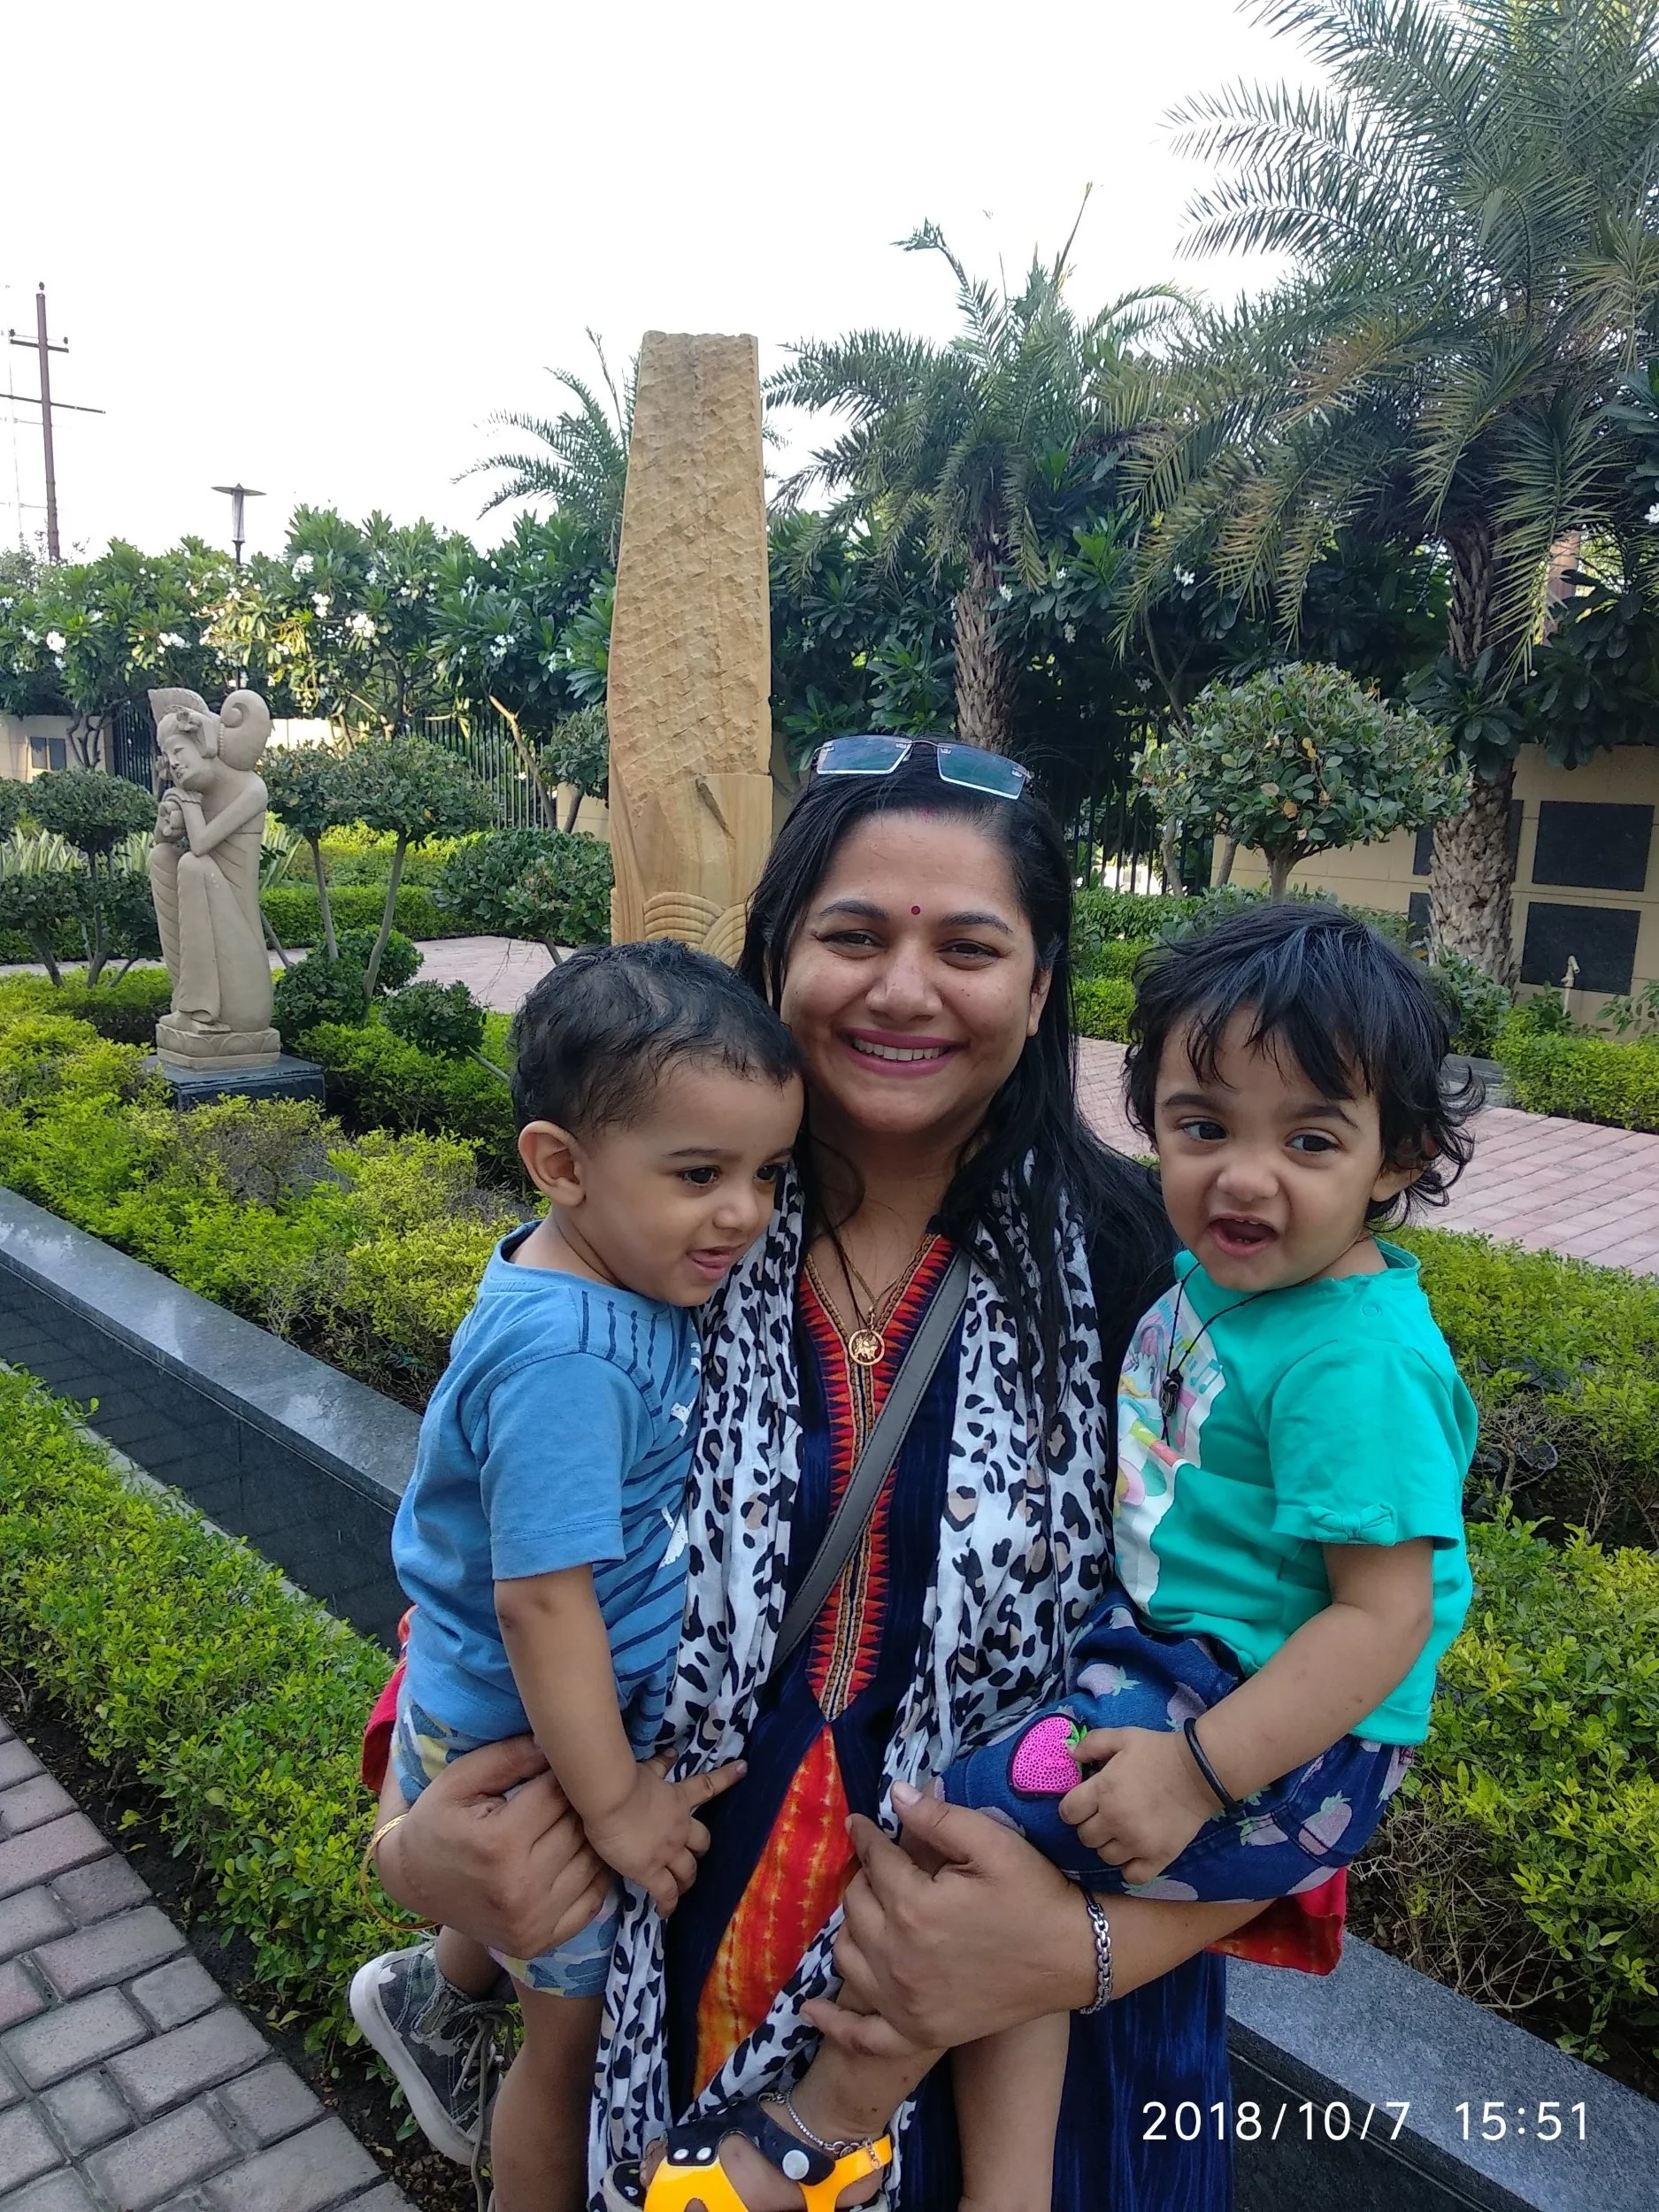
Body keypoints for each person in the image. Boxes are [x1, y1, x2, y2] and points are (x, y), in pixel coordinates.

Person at [363, 740, 1325, 2212]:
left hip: (1016, 2030)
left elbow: (1313, 1668)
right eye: (853, 935)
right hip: (666, 1951)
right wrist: (417, 1853)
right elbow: (498, 1573)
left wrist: (1078, 1951)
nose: (901, 989)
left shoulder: (1159, 1278)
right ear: (774, 958)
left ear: (1041, 985)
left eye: (968, 946)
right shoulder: (656, 1237)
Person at [931, 903, 1479, 2202]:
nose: (1243, 1177)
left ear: (1394, 1157)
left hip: (1271, 1733)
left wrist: (1191, 1772)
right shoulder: (1221, 1284)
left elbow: (1384, 1619)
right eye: (1201, 1127)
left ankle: (846, 2131)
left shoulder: (1353, 1357)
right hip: (1187, 1671)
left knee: (965, 1826)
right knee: (976, 1833)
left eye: (1307, 1139)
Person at [351, 941, 803, 2212]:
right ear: (560, 1165)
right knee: (582, 2044)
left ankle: (436, 1986)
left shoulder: (603, 1270)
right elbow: (539, 1600)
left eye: (768, 1174)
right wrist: (616, 1810)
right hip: (531, 1739)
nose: (748, 1214)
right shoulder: (570, 1357)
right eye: (700, 1176)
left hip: (513, 1709)